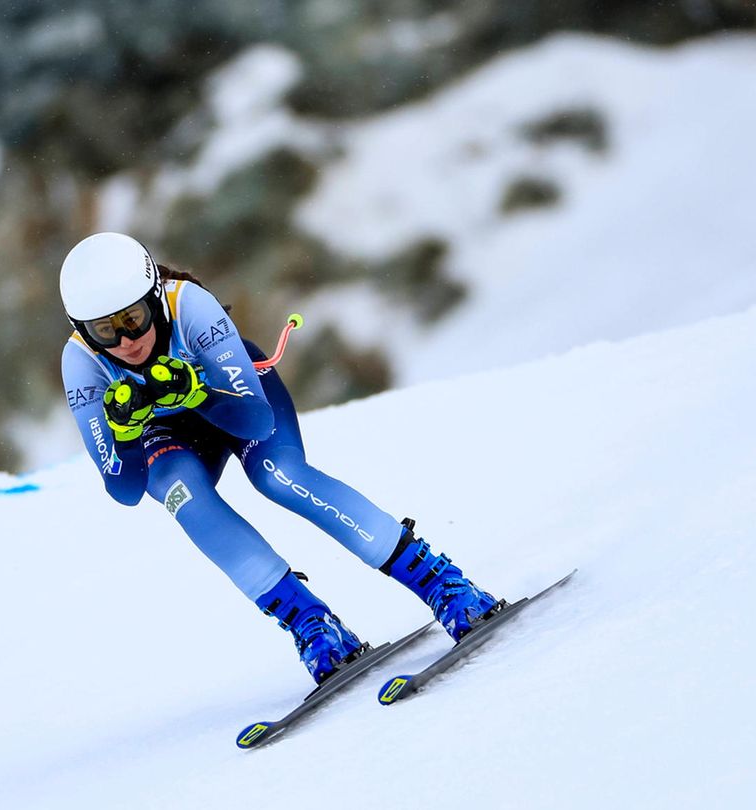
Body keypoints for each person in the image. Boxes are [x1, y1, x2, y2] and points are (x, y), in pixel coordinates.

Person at [59, 232, 501, 684]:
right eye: (105, 331)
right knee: (183, 496)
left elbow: (253, 420)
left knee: (277, 475)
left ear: (154, 298)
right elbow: (126, 489)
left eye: (134, 318)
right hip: (167, 435)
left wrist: (197, 392)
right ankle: (313, 624)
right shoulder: (80, 363)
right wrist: (126, 433)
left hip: (236, 401)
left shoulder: (189, 306)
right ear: (84, 331)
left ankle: (442, 582)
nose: (127, 341)